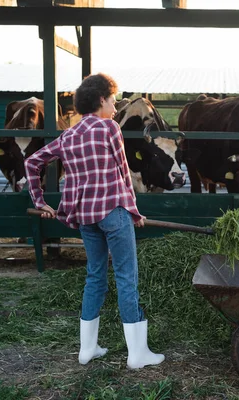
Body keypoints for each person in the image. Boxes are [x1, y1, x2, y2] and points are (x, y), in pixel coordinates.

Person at [24, 73, 164, 369]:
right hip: (113, 213)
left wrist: (40, 201)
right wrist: (135, 212)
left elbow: (31, 162)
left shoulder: (69, 135)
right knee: (126, 277)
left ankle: (87, 349)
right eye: (113, 101)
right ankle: (137, 354)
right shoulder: (109, 128)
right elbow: (124, 174)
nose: (115, 108)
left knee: (95, 276)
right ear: (101, 99)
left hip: (86, 219)